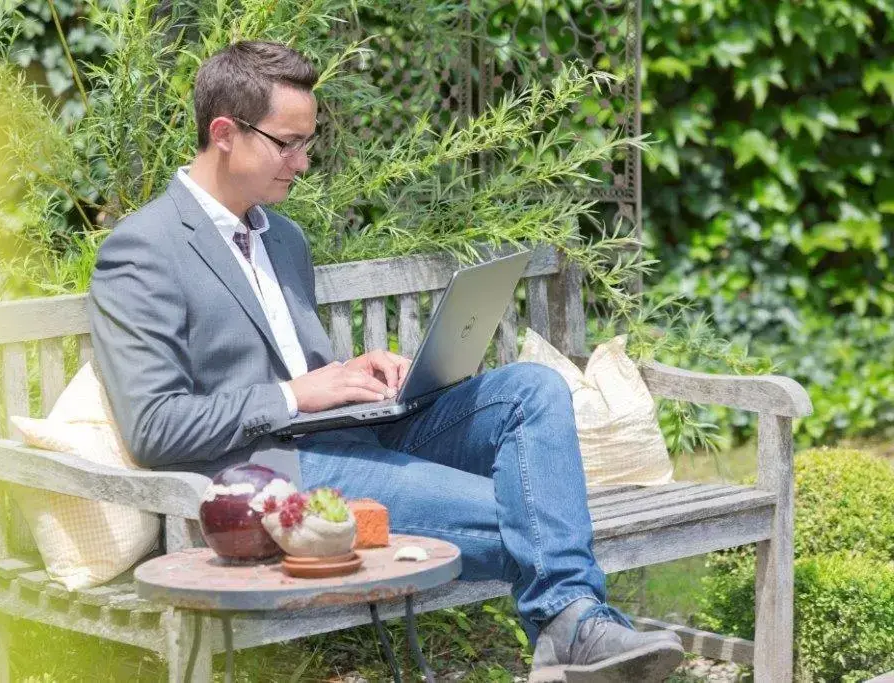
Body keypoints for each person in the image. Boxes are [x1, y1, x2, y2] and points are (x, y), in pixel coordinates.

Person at [88, 40, 683, 681]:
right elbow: (155, 427)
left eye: (307, 141)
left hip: (355, 432)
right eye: (287, 143)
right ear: (225, 133)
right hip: (275, 470)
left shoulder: (282, 237)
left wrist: (356, 374)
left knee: (532, 389)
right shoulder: (142, 250)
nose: (304, 161)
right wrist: (299, 394)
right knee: (537, 510)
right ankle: (572, 625)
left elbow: (291, 359)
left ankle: (566, 627)